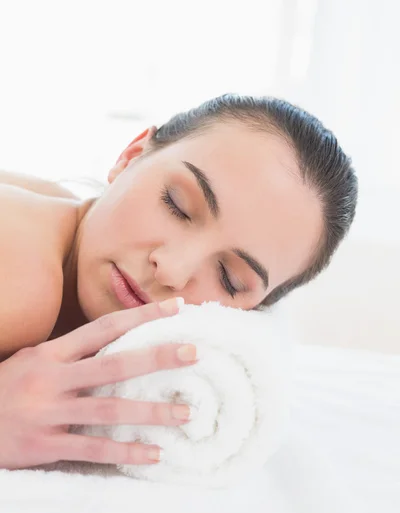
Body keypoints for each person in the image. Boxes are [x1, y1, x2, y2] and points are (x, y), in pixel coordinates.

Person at [0, 94, 357, 471]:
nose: (171, 270)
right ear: (130, 155)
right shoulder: (25, 283)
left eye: (229, 279)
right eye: (176, 205)